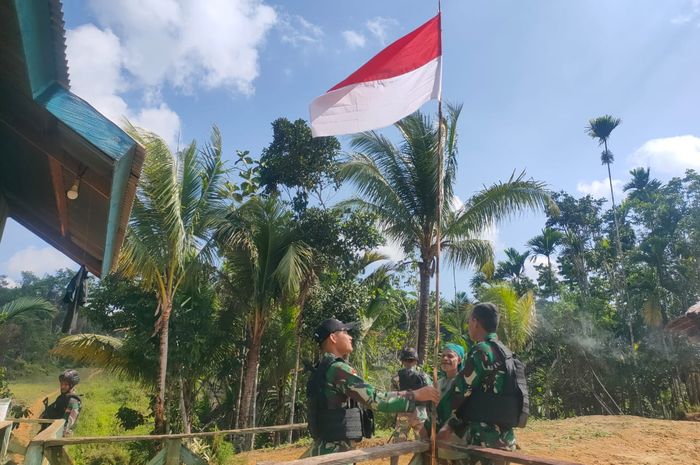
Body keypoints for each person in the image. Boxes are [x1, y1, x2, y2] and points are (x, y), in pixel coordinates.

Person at [305, 319, 439, 457]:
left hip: (322, 447)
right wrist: (415, 395)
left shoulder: (319, 369)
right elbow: (376, 399)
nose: (350, 337)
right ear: (333, 337)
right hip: (336, 452)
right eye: (345, 332)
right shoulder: (338, 369)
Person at [437, 303, 518, 465]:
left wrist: (437, 423)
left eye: (469, 322)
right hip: (506, 438)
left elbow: (459, 392)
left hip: (484, 440)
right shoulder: (506, 353)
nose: (468, 326)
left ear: (475, 322)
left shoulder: (481, 350)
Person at [420, 343, 470, 465]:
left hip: (456, 442)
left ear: (459, 360)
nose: (445, 359)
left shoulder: (463, 383)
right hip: (438, 441)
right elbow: (431, 410)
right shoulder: (438, 383)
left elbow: (464, 411)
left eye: (450, 356)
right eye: (443, 356)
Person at [389, 347, 432, 442]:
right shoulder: (424, 376)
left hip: (404, 413)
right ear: (416, 361)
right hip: (420, 413)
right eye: (408, 360)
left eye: (409, 360)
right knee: (422, 443)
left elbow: (393, 396)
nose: (409, 362)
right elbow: (431, 395)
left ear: (402, 361)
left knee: (397, 444)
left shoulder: (396, 377)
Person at [40, 370, 81, 436]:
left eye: (66, 384)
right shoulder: (62, 398)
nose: (62, 387)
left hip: (57, 436)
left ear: (72, 385)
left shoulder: (73, 401)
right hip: (49, 431)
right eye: (61, 384)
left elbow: (67, 423)